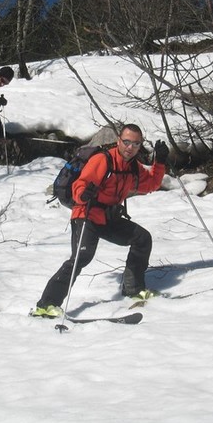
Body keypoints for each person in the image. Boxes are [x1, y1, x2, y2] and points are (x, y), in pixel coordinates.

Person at [33, 124, 169, 317]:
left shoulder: (133, 167)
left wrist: (160, 162)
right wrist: (84, 194)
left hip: (109, 217)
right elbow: (79, 186)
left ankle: (133, 289)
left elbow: (152, 184)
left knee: (142, 239)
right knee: (81, 258)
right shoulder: (102, 160)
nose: (130, 147)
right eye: (127, 142)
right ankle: (46, 305)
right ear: (119, 141)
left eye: (136, 144)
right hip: (86, 214)